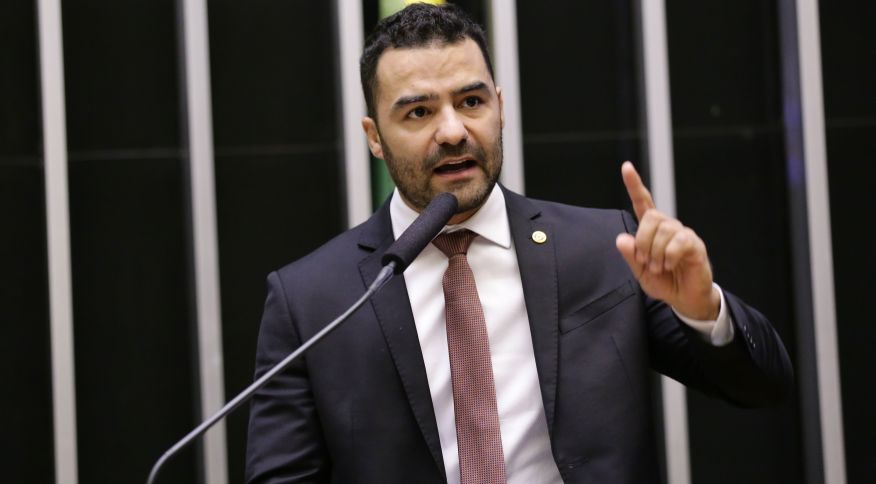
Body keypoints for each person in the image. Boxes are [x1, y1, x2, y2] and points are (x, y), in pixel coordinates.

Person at [245, 4, 792, 483]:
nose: (453, 131)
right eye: (419, 112)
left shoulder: (606, 250)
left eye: (471, 101)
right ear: (374, 137)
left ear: (500, 107)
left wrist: (702, 309)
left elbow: (763, 388)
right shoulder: (312, 301)